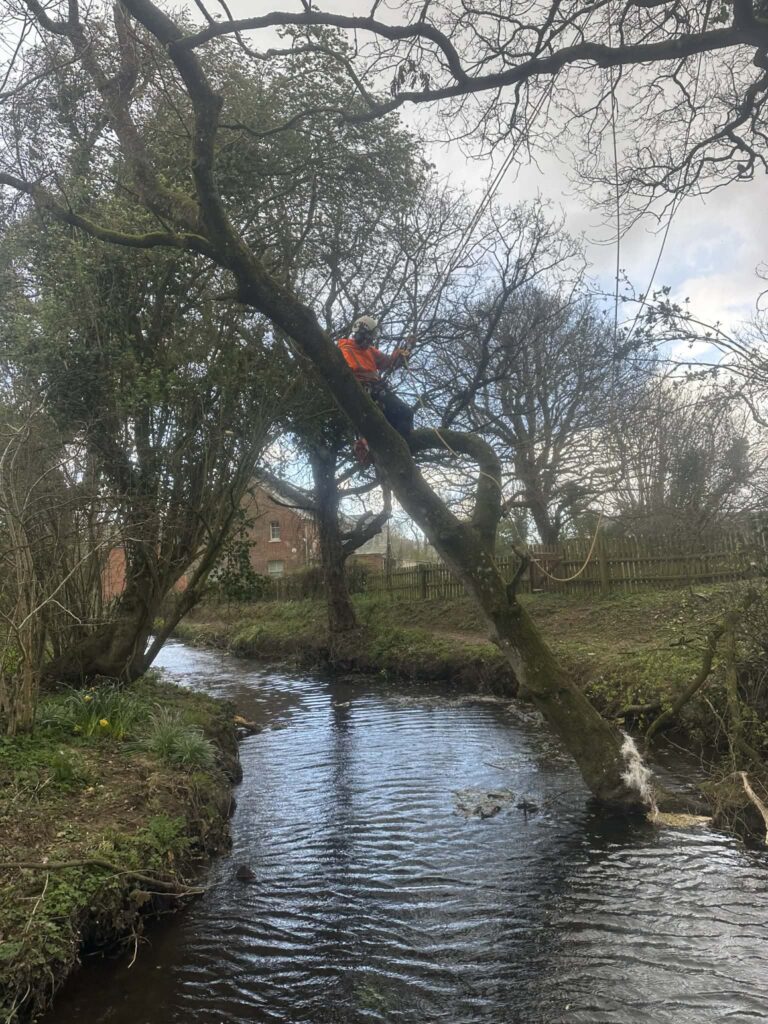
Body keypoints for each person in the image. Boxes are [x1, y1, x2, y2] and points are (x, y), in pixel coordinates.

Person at [337, 316, 414, 439]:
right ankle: (396, 445)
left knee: (399, 419)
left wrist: (403, 351)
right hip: (365, 392)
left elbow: (388, 362)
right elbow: (352, 372)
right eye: (370, 335)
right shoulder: (345, 349)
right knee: (404, 413)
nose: (371, 340)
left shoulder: (370, 351)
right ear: (362, 333)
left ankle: (397, 445)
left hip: (376, 390)